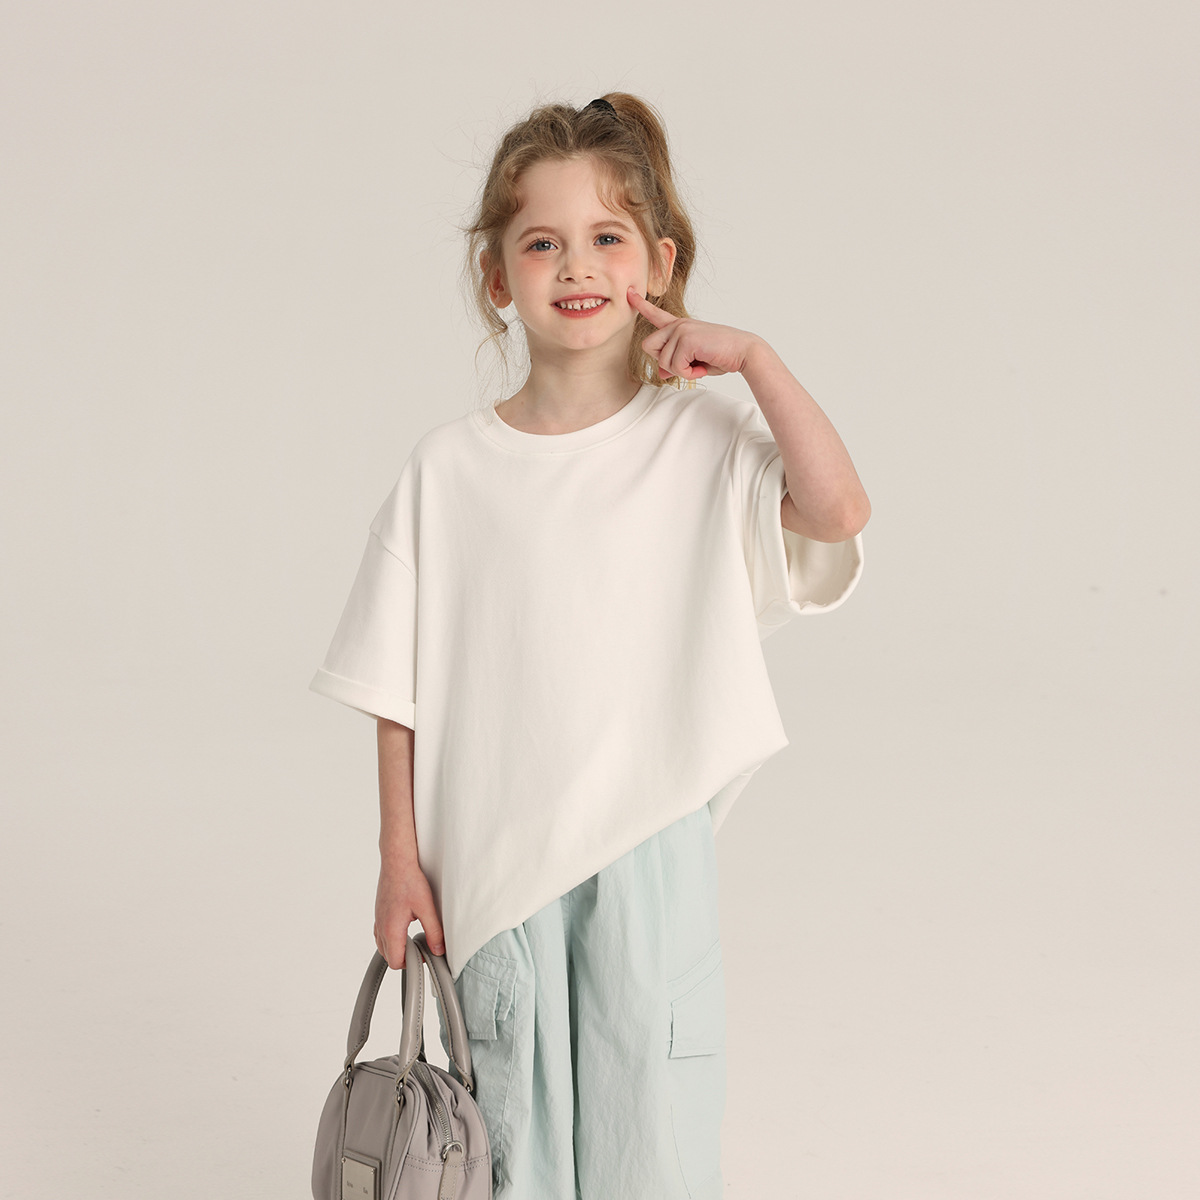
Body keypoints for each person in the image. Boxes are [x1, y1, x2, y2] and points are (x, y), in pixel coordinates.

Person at [309, 92, 870, 1200]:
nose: (576, 266)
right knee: (511, 1142)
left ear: (658, 263)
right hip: (494, 871)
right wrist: (398, 858)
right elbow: (394, 686)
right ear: (496, 276)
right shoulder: (448, 471)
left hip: (647, 856)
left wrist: (755, 359)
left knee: (647, 1133)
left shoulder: (702, 439)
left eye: (608, 237)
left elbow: (837, 511)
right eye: (542, 243)